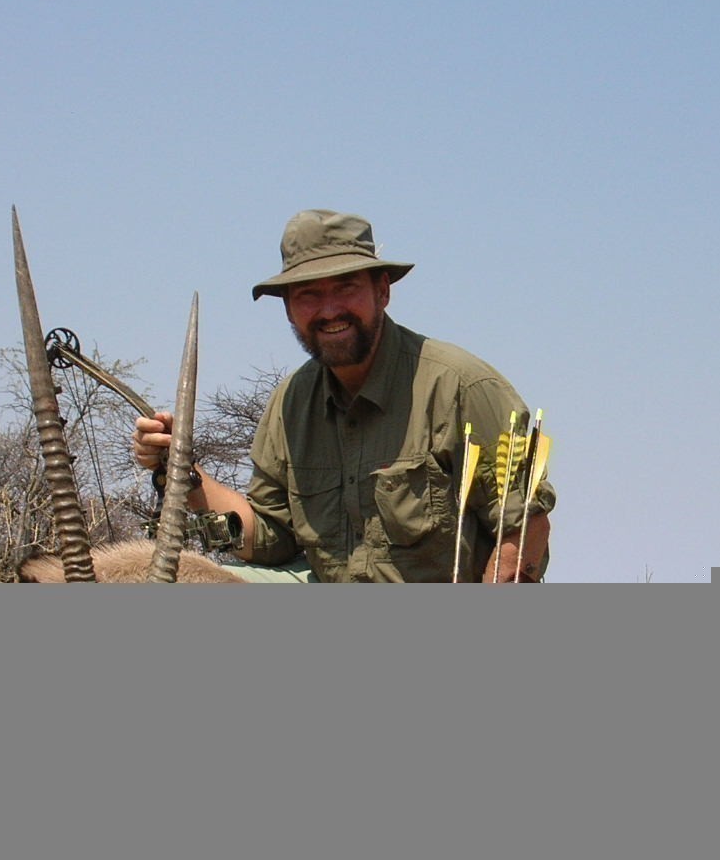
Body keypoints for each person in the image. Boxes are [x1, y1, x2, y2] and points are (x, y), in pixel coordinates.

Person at [132, 209, 556, 582]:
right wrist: (181, 471)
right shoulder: (290, 404)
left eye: (346, 287)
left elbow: (525, 526)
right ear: (288, 309)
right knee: (200, 581)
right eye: (309, 295)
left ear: (383, 291)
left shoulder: (461, 386)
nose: (329, 310)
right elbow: (270, 539)